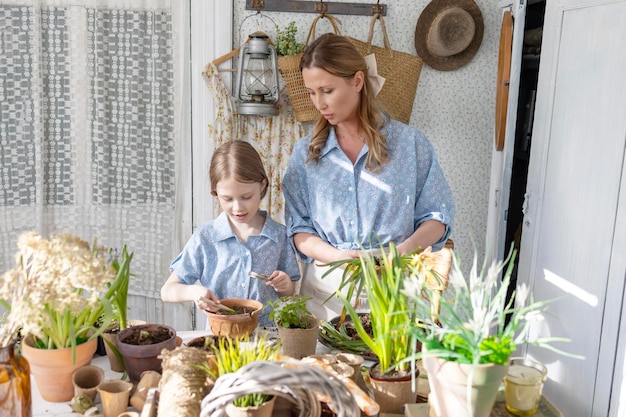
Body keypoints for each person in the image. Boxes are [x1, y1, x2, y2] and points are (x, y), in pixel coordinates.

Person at [282, 33, 455, 320]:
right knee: (321, 366)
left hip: (394, 289)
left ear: (358, 81)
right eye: (312, 92)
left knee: (391, 365)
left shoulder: (411, 144)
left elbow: (437, 217)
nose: (319, 104)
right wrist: (337, 257)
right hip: (326, 294)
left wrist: (399, 253)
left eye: (327, 90)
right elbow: (298, 230)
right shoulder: (305, 153)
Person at [162, 140, 300, 327]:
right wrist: (194, 292)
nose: (238, 207)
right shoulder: (206, 237)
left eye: (246, 197)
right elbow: (168, 291)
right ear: (215, 193)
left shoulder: (279, 236)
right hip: (220, 338)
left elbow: (288, 292)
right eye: (227, 199)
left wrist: (285, 286)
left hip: (266, 340)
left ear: (262, 185)